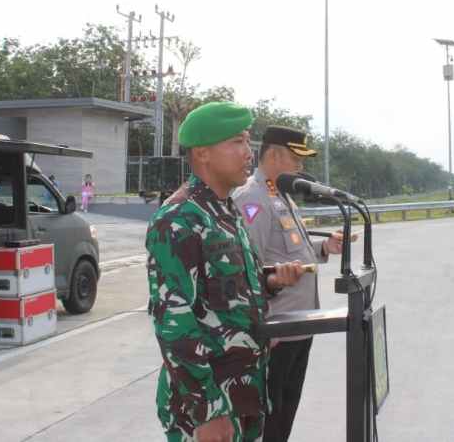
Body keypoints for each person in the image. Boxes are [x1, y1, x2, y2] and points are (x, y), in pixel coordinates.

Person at [146, 102, 306, 442]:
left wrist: (270, 281)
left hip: (244, 392)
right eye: (237, 142)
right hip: (210, 403)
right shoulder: (180, 218)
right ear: (203, 154)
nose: (249, 153)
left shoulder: (224, 209)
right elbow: (174, 321)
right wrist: (208, 410)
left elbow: (224, 286)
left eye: (248, 142)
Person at [232, 125, 352, 442]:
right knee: (270, 415)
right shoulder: (251, 199)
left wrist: (324, 248)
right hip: (276, 331)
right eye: (296, 159)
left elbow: (291, 246)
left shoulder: (280, 195)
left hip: (299, 325)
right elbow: (248, 264)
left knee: (285, 411)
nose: (301, 167)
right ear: (273, 154)